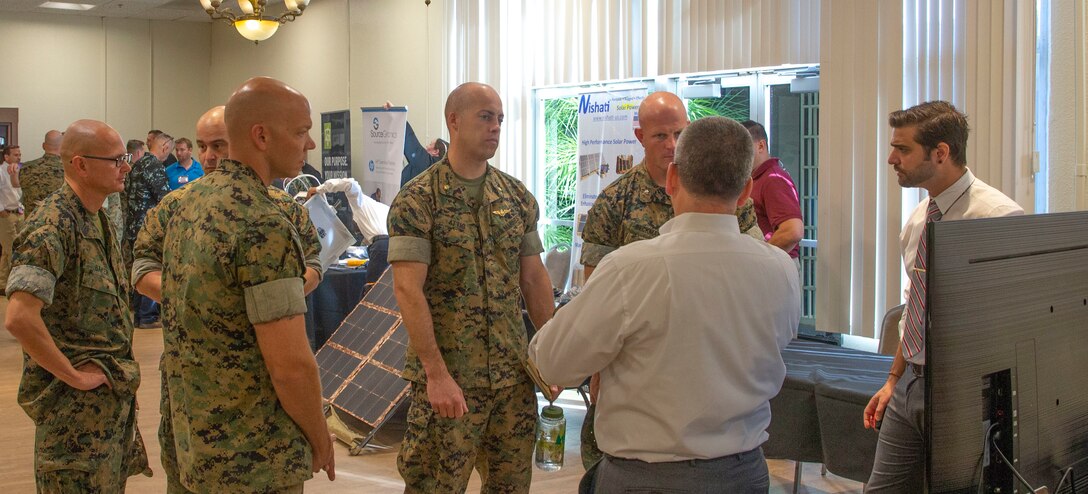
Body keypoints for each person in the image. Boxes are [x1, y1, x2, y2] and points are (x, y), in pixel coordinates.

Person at [530, 116, 798, 493]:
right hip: (745, 474)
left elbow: (552, 360)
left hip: (647, 478)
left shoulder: (631, 268)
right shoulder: (781, 270)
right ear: (745, 193)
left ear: (672, 179)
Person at [133, 100, 324, 492]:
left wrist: (250, 296)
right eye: (203, 146)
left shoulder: (281, 211)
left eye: (218, 145)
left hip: (214, 426)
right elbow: (291, 367)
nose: (209, 156)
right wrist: (212, 295)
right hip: (244, 442)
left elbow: (314, 263)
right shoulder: (185, 206)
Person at [578, 91, 763, 465]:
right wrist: (598, 367)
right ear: (639, 136)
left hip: (711, 350)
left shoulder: (722, 194)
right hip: (638, 360)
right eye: (660, 136)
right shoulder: (617, 201)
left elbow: (752, 266)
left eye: (679, 133)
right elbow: (595, 289)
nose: (672, 145)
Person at [388, 82, 554, 492]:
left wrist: (553, 355)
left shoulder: (516, 197)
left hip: (511, 378)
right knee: (434, 485)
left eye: (500, 118)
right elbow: (408, 291)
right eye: (485, 116)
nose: (496, 126)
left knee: (511, 485)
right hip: (450, 379)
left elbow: (533, 279)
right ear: (454, 121)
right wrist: (436, 374)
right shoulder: (418, 200)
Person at [863, 101, 1024, 493]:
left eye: (903, 149)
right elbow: (914, 307)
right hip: (911, 386)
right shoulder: (919, 219)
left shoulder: (998, 218)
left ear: (940, 153)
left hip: (966, 396)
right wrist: (893, 379)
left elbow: (1011, 326)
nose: (891, 159)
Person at [4, 119, 150, 491]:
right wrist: (73, 375)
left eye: (126, 157)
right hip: (73, 422)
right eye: (116, 160)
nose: (127, 167)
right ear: (80, 164)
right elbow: (20, 318)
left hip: (105, 414)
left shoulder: (97, 218)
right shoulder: (53, 224)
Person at [742, 120, 804, 265]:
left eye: (742, 149)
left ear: (761, 146)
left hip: (777, 264)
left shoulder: (773, 179)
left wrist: (759, 260)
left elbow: (793, 231)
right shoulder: (758, 178)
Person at [383, 101, 449, 186]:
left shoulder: (428, 165)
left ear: (436, 151)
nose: (426, 147)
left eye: (430, 144)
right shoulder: (440, 170)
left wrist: (397, 115)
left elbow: (412, 144)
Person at [19, 130, 64, 217]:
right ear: (62, 147)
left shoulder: (25, 167)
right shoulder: (69, 170)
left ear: (43, 146)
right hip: (57, 225)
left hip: (31, 225)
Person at [0, 145, 23, 289]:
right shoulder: (1, 171)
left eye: (20, 154)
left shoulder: (18, 169)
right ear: (6, 157)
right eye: (15, 154)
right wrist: (1, 210)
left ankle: (2, 283)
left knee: (9, 250)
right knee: (12, 250)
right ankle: (13, 283)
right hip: (6, 215)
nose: (19, 157)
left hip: (18, 212)